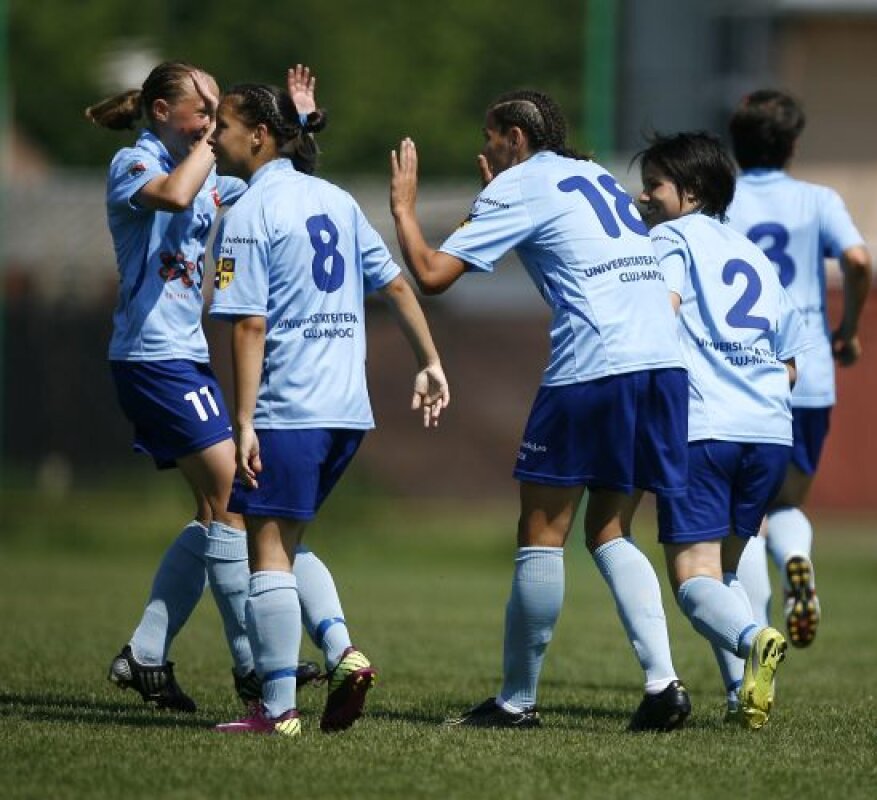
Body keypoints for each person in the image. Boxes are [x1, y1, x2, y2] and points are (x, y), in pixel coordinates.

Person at [389, 89, 691, 731]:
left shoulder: (520, 183)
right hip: (661, 365)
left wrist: (404, 209)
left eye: (491, 136)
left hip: (596, 368)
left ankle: (516, 700)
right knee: (609, 530)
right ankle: (664, 685)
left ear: (515, 140)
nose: (486, 148)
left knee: (541, 532)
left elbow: (431, 273)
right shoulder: (594, 175)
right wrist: (495, 199)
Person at [88, 62, 346, 712]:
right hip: (152, 359)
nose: (212, 121)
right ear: (161, 113)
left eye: (217, 113)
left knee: (216, 513)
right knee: (236, 501)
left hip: (185, 359)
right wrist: (213, 141)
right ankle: (255, 667)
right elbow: (175, 196)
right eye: (202, 108)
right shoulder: (136, 165)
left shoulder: (206, 172)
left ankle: (146, 654)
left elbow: (275, 179)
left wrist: (300, 125)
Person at [207, 82, 448, 736]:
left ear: (259, 135)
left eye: (223, 125)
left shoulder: (251, 213)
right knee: (284, 542)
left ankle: (277, 709)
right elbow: (395, 284)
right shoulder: (337, 200)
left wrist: (244, 420)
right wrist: (430, 360)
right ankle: (337, 653)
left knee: (267, 552)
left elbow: (249, 325)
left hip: (290, 406)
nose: (214, 137)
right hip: (347, 410)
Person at [635, 131, 803, 729]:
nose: (643, 196)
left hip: (705, 427)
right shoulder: (752, 253)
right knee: (724, 572)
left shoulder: (670, 239)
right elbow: (790, 359)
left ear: (692, 191)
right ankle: (740, 696)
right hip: (769, 431)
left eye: (654, 184)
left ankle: (756, 637)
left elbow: (661, 312)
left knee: (692, 580)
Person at [724, 89, 872, 649]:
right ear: (792, 146)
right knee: (786, 501)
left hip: (739, 370)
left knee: (744, 512)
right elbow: (857, 259)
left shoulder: (723, 200)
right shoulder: (818, 199)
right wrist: (848, 328)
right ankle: (796, 558)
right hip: (808, 374)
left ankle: (757, 637)